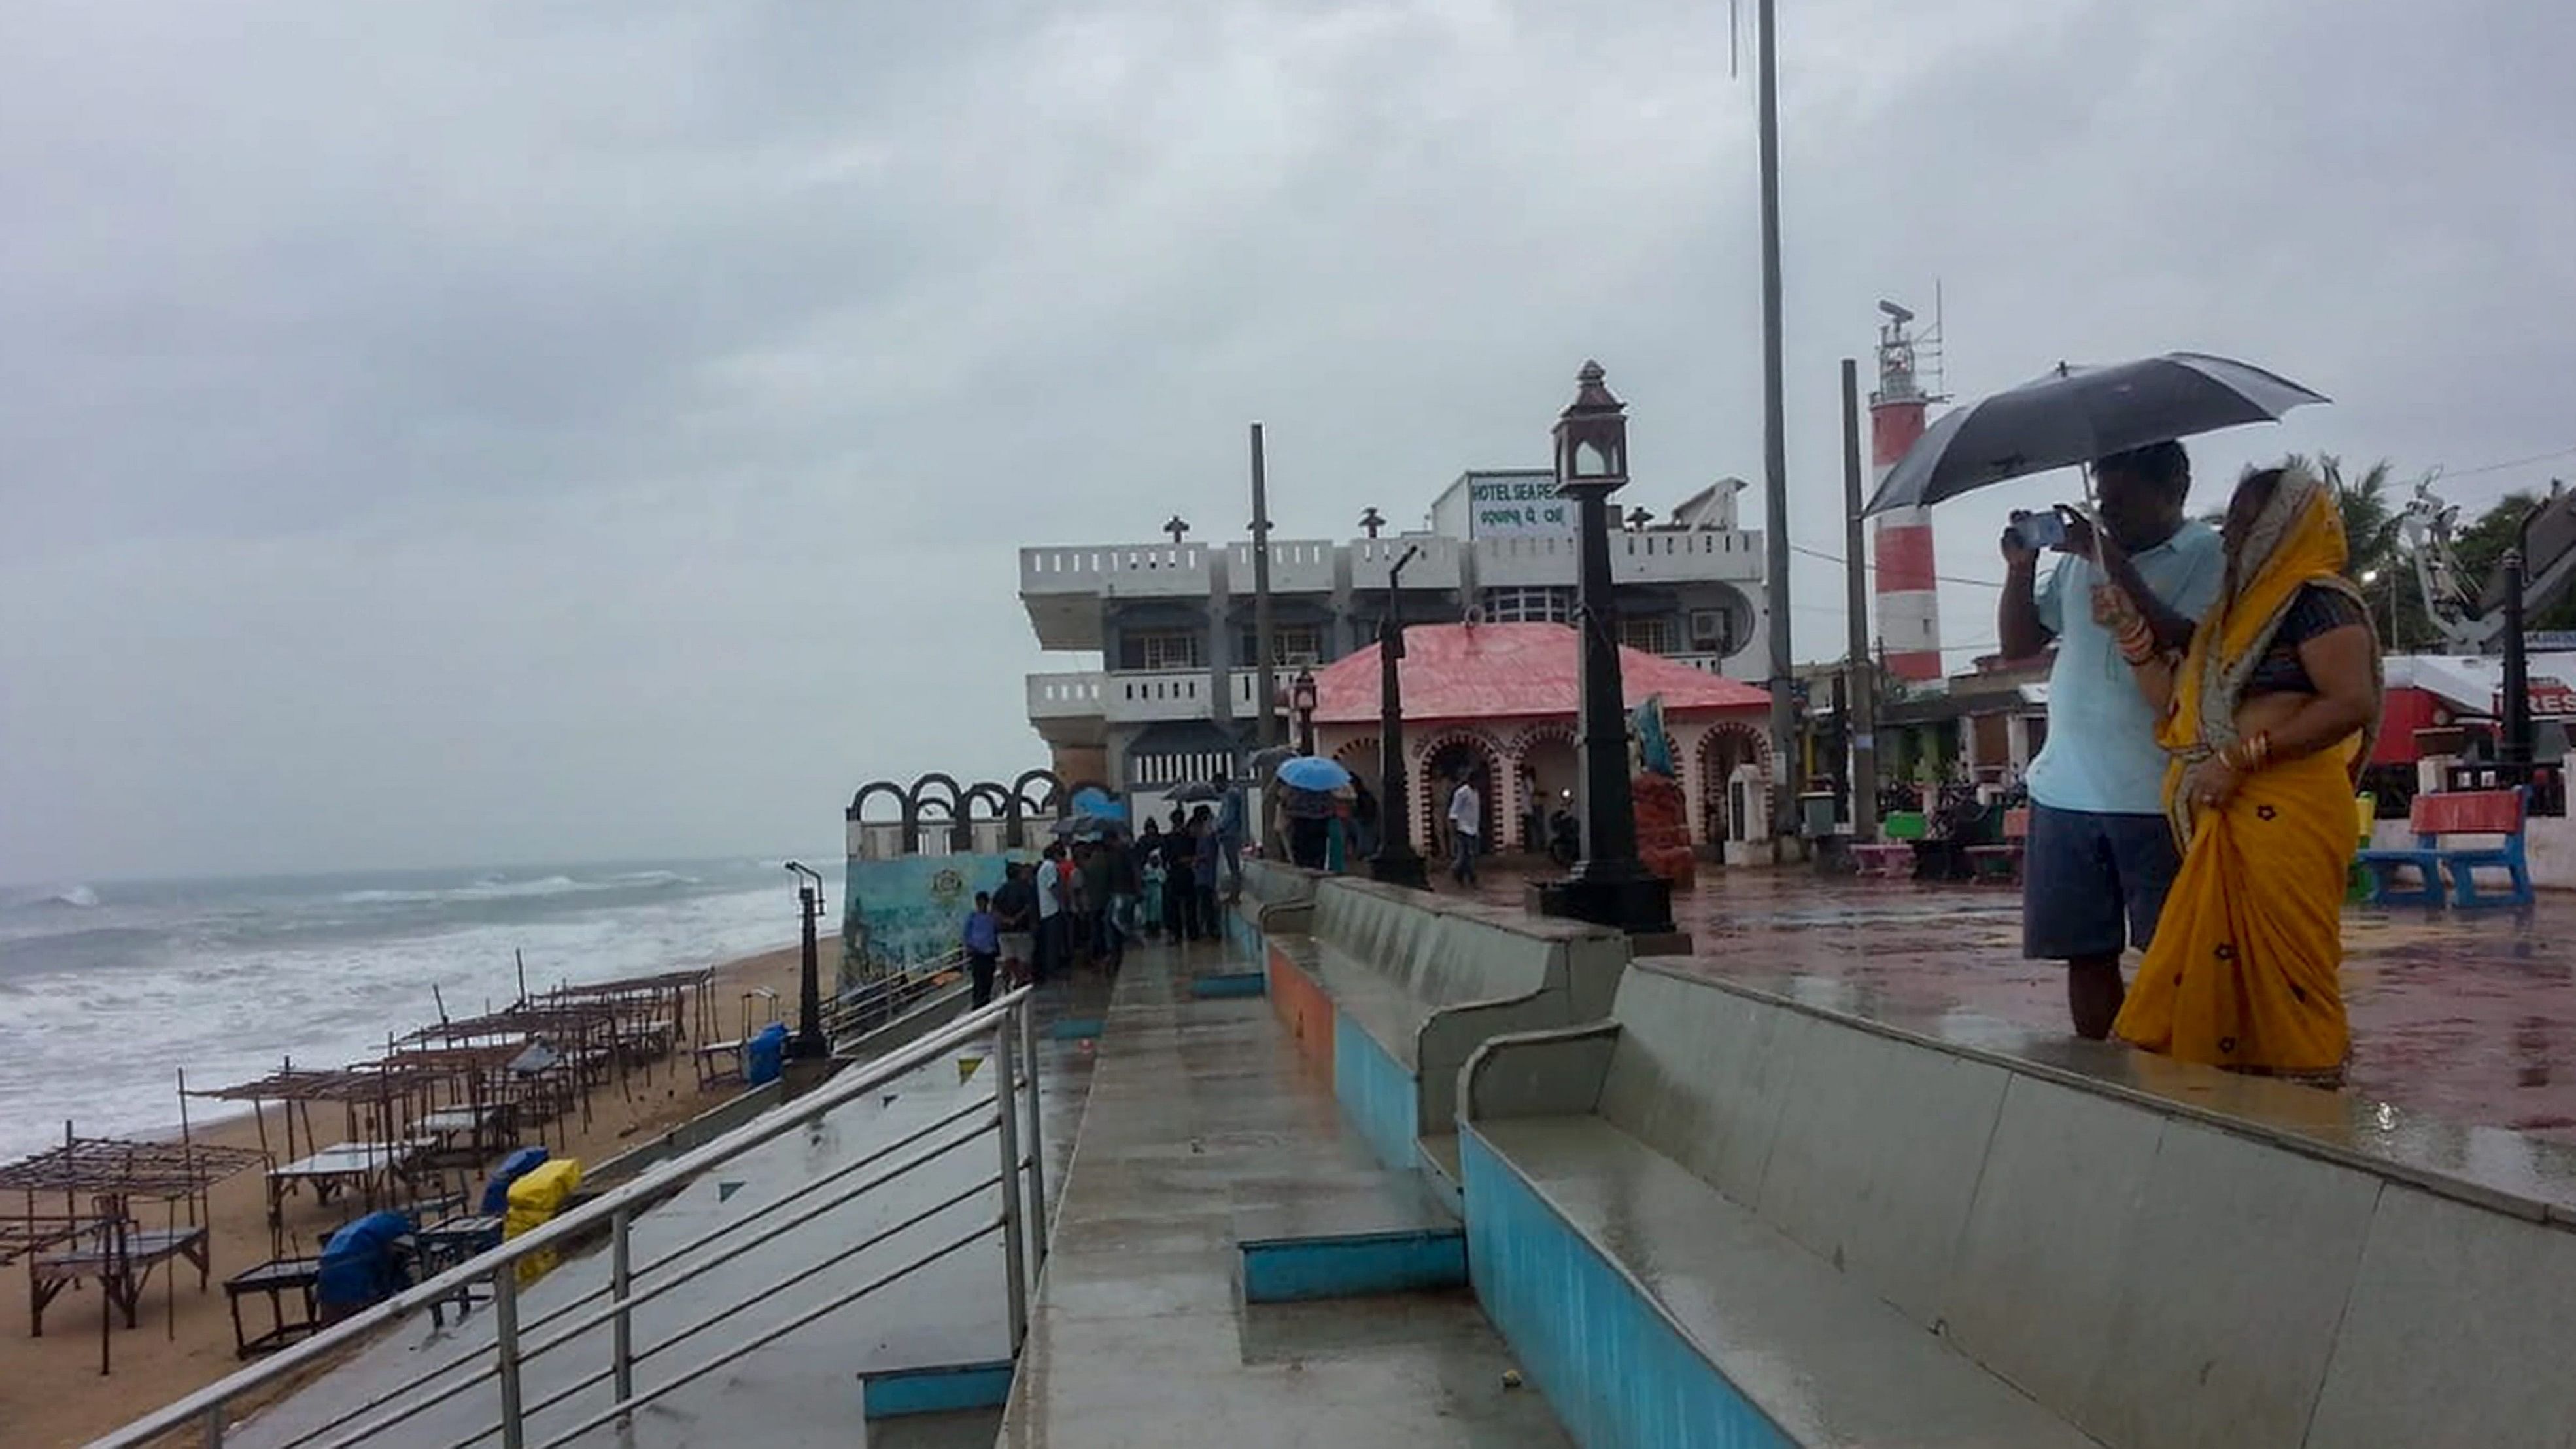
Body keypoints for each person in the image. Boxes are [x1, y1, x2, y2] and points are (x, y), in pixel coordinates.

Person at [2103, 464, 2381, 1083]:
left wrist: (2241, 758)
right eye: (2229, 520)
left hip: (2287, 809)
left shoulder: (2317, 600)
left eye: (2243, 521)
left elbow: (2349, 702)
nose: (2227, 535)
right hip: (2224, 813)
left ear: (2283, 526)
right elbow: (2179, 709)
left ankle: (2313, 1106)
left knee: (2290, 974)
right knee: (2210, 973)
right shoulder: (2233, 617)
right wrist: (2128, 630)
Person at [1997, 441, 2225, 1039]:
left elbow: (2191, 640)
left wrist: (2115, 562)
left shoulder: (2209, 553)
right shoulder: (2077, 562)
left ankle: (2177, 1077)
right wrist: (2019, 570)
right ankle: (2103, 1070)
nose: (2109, 512)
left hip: (2155, 792)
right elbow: (2019, 647)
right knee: (2084, 951)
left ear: (2173, 486)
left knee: (2172, 953)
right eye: (2103, 499)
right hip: (2065, 791)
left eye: (2122, 500)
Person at [992, 864, 1037, 991]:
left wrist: (1005, 920)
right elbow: (1029, 908)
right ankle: (1019, 982)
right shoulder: (1026, 888)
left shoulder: (1000, 890)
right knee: (1024, 958)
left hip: (1004, 931)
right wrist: (1016, 919)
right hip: (1022, 930)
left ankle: (1006, 984)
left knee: (1008, 958)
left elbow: (994, 910)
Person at [1033, 844, 1069, 985]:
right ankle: (1053, 970)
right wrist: (1062, 903)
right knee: (1053, 942)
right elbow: (1053, 886)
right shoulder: (1051, 867)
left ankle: (1052, 969)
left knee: (1051, 942)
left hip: (1045, 909)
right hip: (1052, 909)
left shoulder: (1043, 868)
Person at [1104, 830, 1139, 970]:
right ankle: (1118, 951)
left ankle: (1129, 941)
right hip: (1121, 892)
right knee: (1115, 921)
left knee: (1115, 920)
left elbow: (1135, 870)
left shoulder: (1123, 852)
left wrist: (1138, 889)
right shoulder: (1117, 853)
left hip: (1123, 893)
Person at [961, 890, 1001, 1007]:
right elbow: (967, 935)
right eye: (979, 902)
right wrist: (969, 947)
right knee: (978, 978)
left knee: (989, 977)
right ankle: (978, 1001)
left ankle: (986, 999)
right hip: (977, 952)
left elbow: (996, 931)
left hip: (990, 953)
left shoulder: (991, 917)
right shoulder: (972, 917)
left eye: (984, 902)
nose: (981, 905)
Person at [1447, 771, 1482, 885]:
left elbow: (1475, 812)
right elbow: (1454, 810)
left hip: (1473, 828)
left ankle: (1459, 874)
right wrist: (1454, 826)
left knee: (1468, 855)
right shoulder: (1462, 792)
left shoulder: (1475, 792)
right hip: (1463, 827)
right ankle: (1471, 877)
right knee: (1467, 854)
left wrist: (1476, 829)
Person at [1216, 774, 1246, 901]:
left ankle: (1235, 894)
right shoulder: (1232, 794)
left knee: (1233, 866)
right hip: (1232, 833)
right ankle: (1235, 893)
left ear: (1222, 782)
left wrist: (1218, 827)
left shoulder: (1230, 794)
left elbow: (1229, 816)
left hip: (1230, 834)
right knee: (1233, 866)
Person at [1192, 810, 1222, 938]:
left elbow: (1209, 856)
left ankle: (1211, 929)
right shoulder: (1205, 838)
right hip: (1204, 877)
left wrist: (1197, 860)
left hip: (1206, 878)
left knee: (1207, 904)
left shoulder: (1208, 838)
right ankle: (1209, 928)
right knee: (1205, 904)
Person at [1139, 829, 1169, 941]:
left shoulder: (1160, 869)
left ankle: (1157, 929)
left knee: (1157, 912)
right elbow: (1143, 879)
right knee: (1147, 912)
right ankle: (1148, 929)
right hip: (1148, 894)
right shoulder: (1146, 869)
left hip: (1157, 893)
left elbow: (1163, 879)